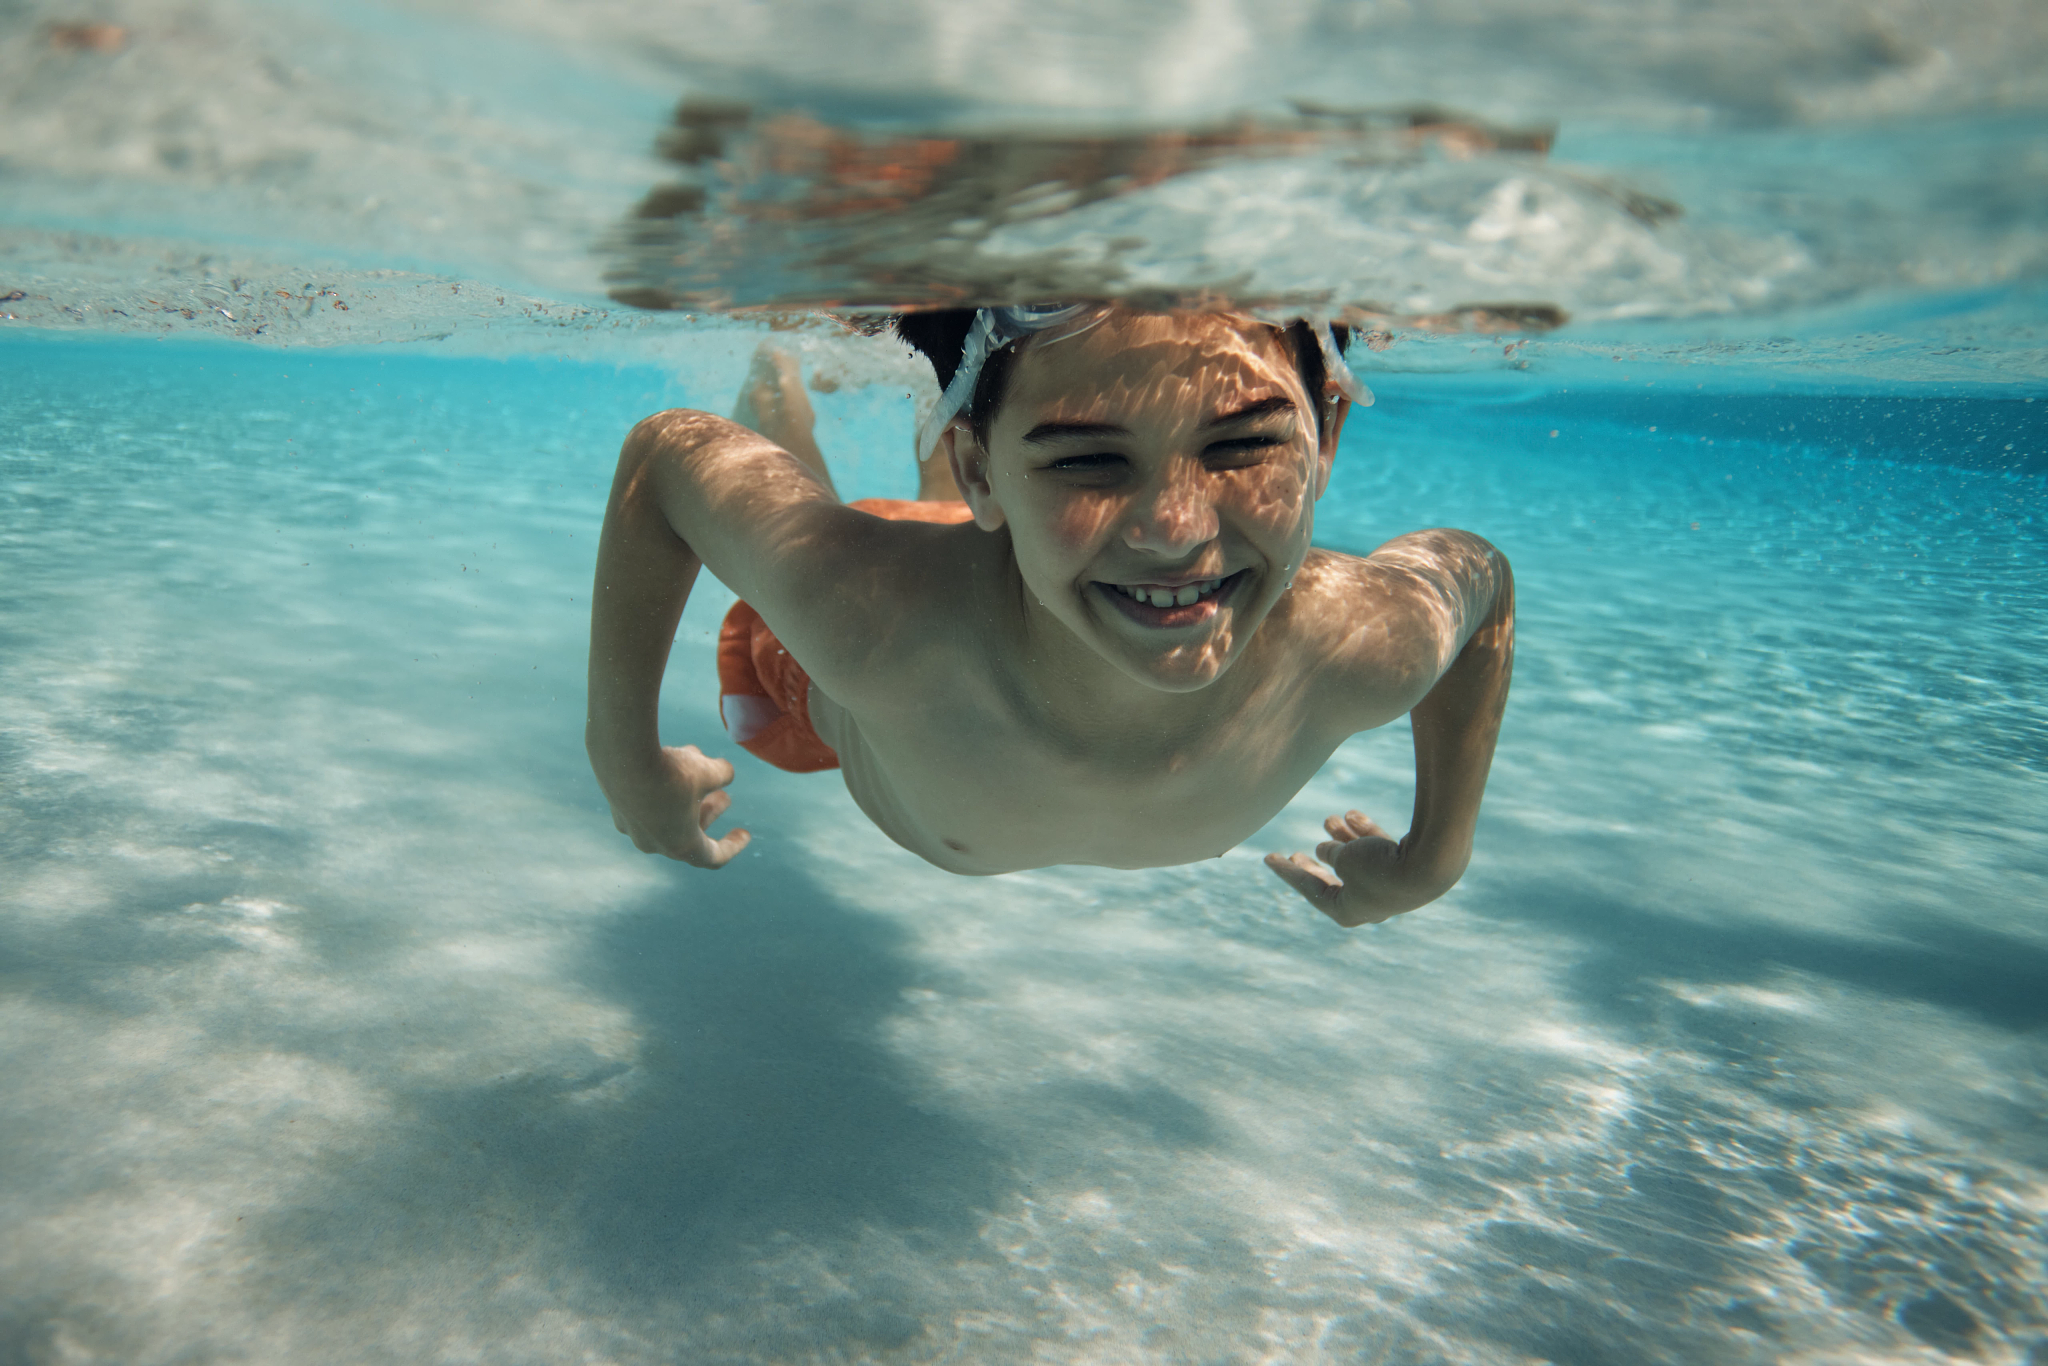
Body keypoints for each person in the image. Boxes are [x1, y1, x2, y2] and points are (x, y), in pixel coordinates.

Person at [585, 306, 1513, 927]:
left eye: (1241, 445)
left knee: (1030, 520)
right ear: (987, 473)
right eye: (1089, 460)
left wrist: (1440, 853)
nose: (1176, 532)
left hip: (1026, 557)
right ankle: (778, 385)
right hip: (869, 649)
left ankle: (1011, 458)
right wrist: (624, 759)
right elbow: (669, 458)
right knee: (791, 613)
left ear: (1327, 439)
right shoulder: (865, 619)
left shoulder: (1360, 644)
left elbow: (1481, 587)